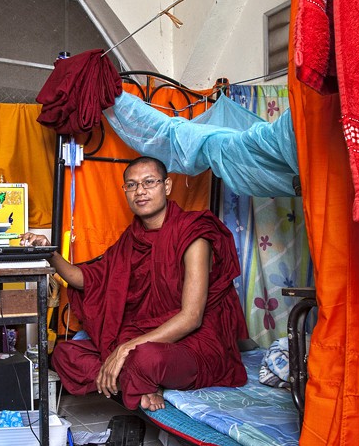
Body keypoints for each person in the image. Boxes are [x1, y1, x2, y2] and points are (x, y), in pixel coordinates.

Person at [21, 156, 248, 412]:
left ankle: (137, 378)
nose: (140, 191)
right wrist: (49, 252)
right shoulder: (132, 238)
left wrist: (125, 349)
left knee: (145, 359)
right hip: (145, 337)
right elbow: (85, 279)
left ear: (167, 186)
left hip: (192, 342)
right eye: (131, 185)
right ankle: (139, 384)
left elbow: (192, 317)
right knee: (65, 355)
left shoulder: (192, 234)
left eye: (149, 182)